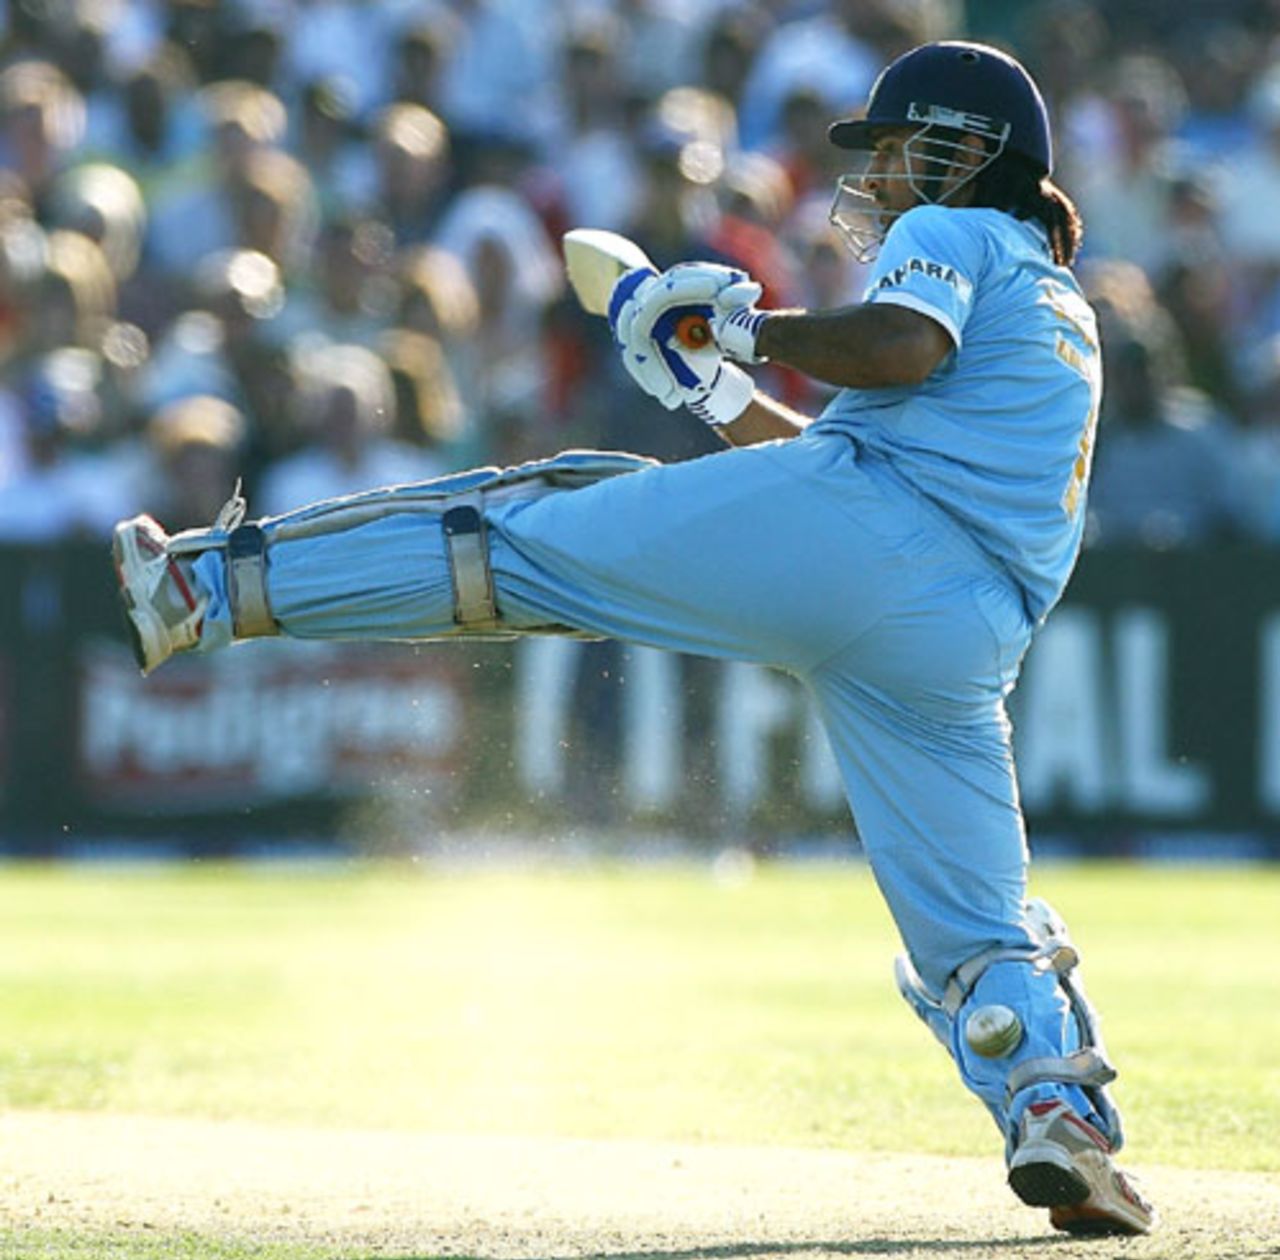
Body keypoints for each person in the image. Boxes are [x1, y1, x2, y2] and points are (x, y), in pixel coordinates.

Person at [110, 41, 1153, 1236]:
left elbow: (895, 360)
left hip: (881, 540)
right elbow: (841, 464)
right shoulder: (1058, 303)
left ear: (965, 150)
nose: (876, 181)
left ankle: (207, 587)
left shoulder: (955, 230)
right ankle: (1055, 1115)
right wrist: (715, 390)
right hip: (959, 636)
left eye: (894, 149)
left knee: (531, 523)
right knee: (975, 930)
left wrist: (742, 324)